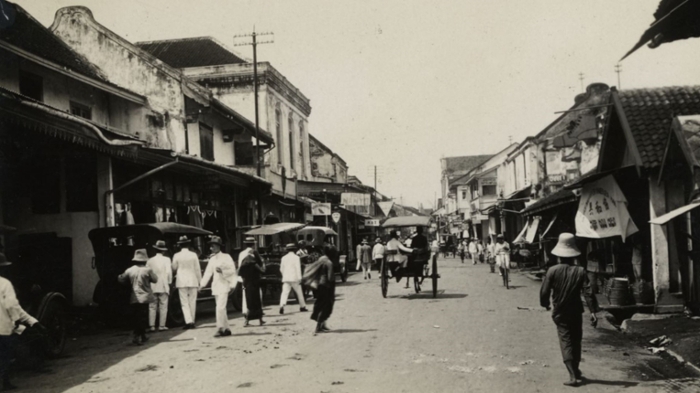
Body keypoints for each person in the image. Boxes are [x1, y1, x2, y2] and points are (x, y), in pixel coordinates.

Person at [540, 233, 598, 387]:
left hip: (560, 311)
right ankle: (576, 369)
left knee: (565, 341)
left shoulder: (552, 270)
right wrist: (593, 311)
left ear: (559, 255)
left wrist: (545, 304)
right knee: (576, 340)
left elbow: (544, 292)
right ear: (573, 255)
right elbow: (588, 292)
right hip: (576, 312)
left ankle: (572, 376)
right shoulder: (580, 271)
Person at [0, 253, 46, 391]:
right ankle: (5, 382)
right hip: (4, 329)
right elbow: (13, 307)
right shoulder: (5, 283)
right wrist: (23, 322)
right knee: (5, 355)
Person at [118, 249, 158, 346]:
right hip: (145, 296)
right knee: (143, 317)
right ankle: (138, 336)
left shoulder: (130, 270)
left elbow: (121, 280)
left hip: (134, 297)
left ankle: (141, 335)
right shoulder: (148, 270)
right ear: (145, 260)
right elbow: (155, 280)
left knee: (137, 316)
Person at [200, 236, 237, 337]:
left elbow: (233, 271)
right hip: (216, 286)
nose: (211, 248)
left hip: (224, 284)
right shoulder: (212, 259)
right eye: (211, 246)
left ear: (218, 246)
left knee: (220, 308)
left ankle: (220, 328)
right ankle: (227, 329)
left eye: (213, 246)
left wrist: (223, 271)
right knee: (221, 308)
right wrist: (202, 285)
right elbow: (208, 273)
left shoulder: (227, 257)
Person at [304, 245, 335, 335]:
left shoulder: (321, 259)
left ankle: (322, 325)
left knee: (320, 303)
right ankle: (318, 326)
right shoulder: (329, 262)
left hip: (319, 285)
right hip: (326, 286)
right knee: (326, 305)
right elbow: (330, 277)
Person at [172, 236, 201, 329]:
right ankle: (192, 320)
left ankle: (188, 321)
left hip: (181, 281)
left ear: (180, 245)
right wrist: (200, 281)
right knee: (192, 301)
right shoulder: (193, 255)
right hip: (193, 280)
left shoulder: (176, 255)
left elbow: (174, 268)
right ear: (188, 244)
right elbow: (197, 269)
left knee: (184, 302)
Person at [238, 239, 266, 327]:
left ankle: (246, 320)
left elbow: (240, 267)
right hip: (255, 280)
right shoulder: (255, 253)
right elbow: (260, 265)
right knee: (257, 299)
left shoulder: (241, 254)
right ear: (253, 244)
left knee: (246, 300)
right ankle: (260, 319)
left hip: (245, 279)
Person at [147, 240, 172, 332]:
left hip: (153, 285)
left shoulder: (150, 260)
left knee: (152, 306)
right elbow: (169, 272)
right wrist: (169, 282)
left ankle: (152, 326)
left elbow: (147, 273)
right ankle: (161, 325)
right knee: (163, 305)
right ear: (163, 250)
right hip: (163, 284)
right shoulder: (167, 259)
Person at [279, 243, 308, 314]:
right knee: (299, 293)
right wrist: (300, 278)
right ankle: (302, 306)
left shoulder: (283, 258)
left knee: (284, 293)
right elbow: (298, 268)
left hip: (286, 278)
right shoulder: (296, 258)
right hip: (295, 278)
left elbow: (281, 269)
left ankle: (282, 305)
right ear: (294, 249)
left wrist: (284, 275)